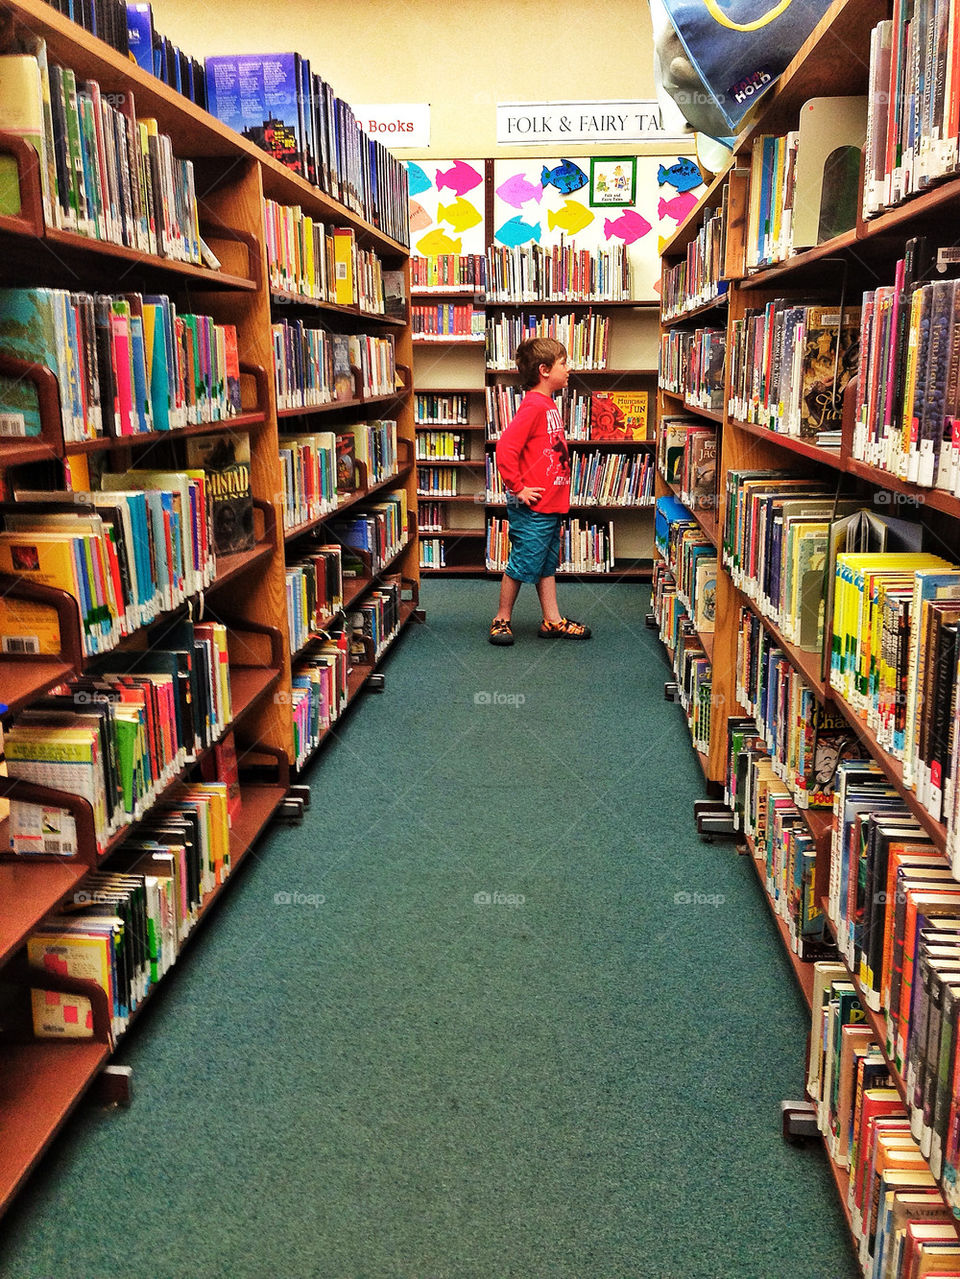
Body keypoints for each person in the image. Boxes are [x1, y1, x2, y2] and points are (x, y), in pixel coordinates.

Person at [489, 336, 591, 645]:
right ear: (545, 370)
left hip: (549, 505)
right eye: (563, 363)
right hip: (532, 507)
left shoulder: (548, 404)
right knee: (523, 562)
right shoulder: (533, 405)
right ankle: (501, 618)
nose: (569, 369)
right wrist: (517, 488)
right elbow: (506, 447)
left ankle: (552, 620)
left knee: (546, 563)